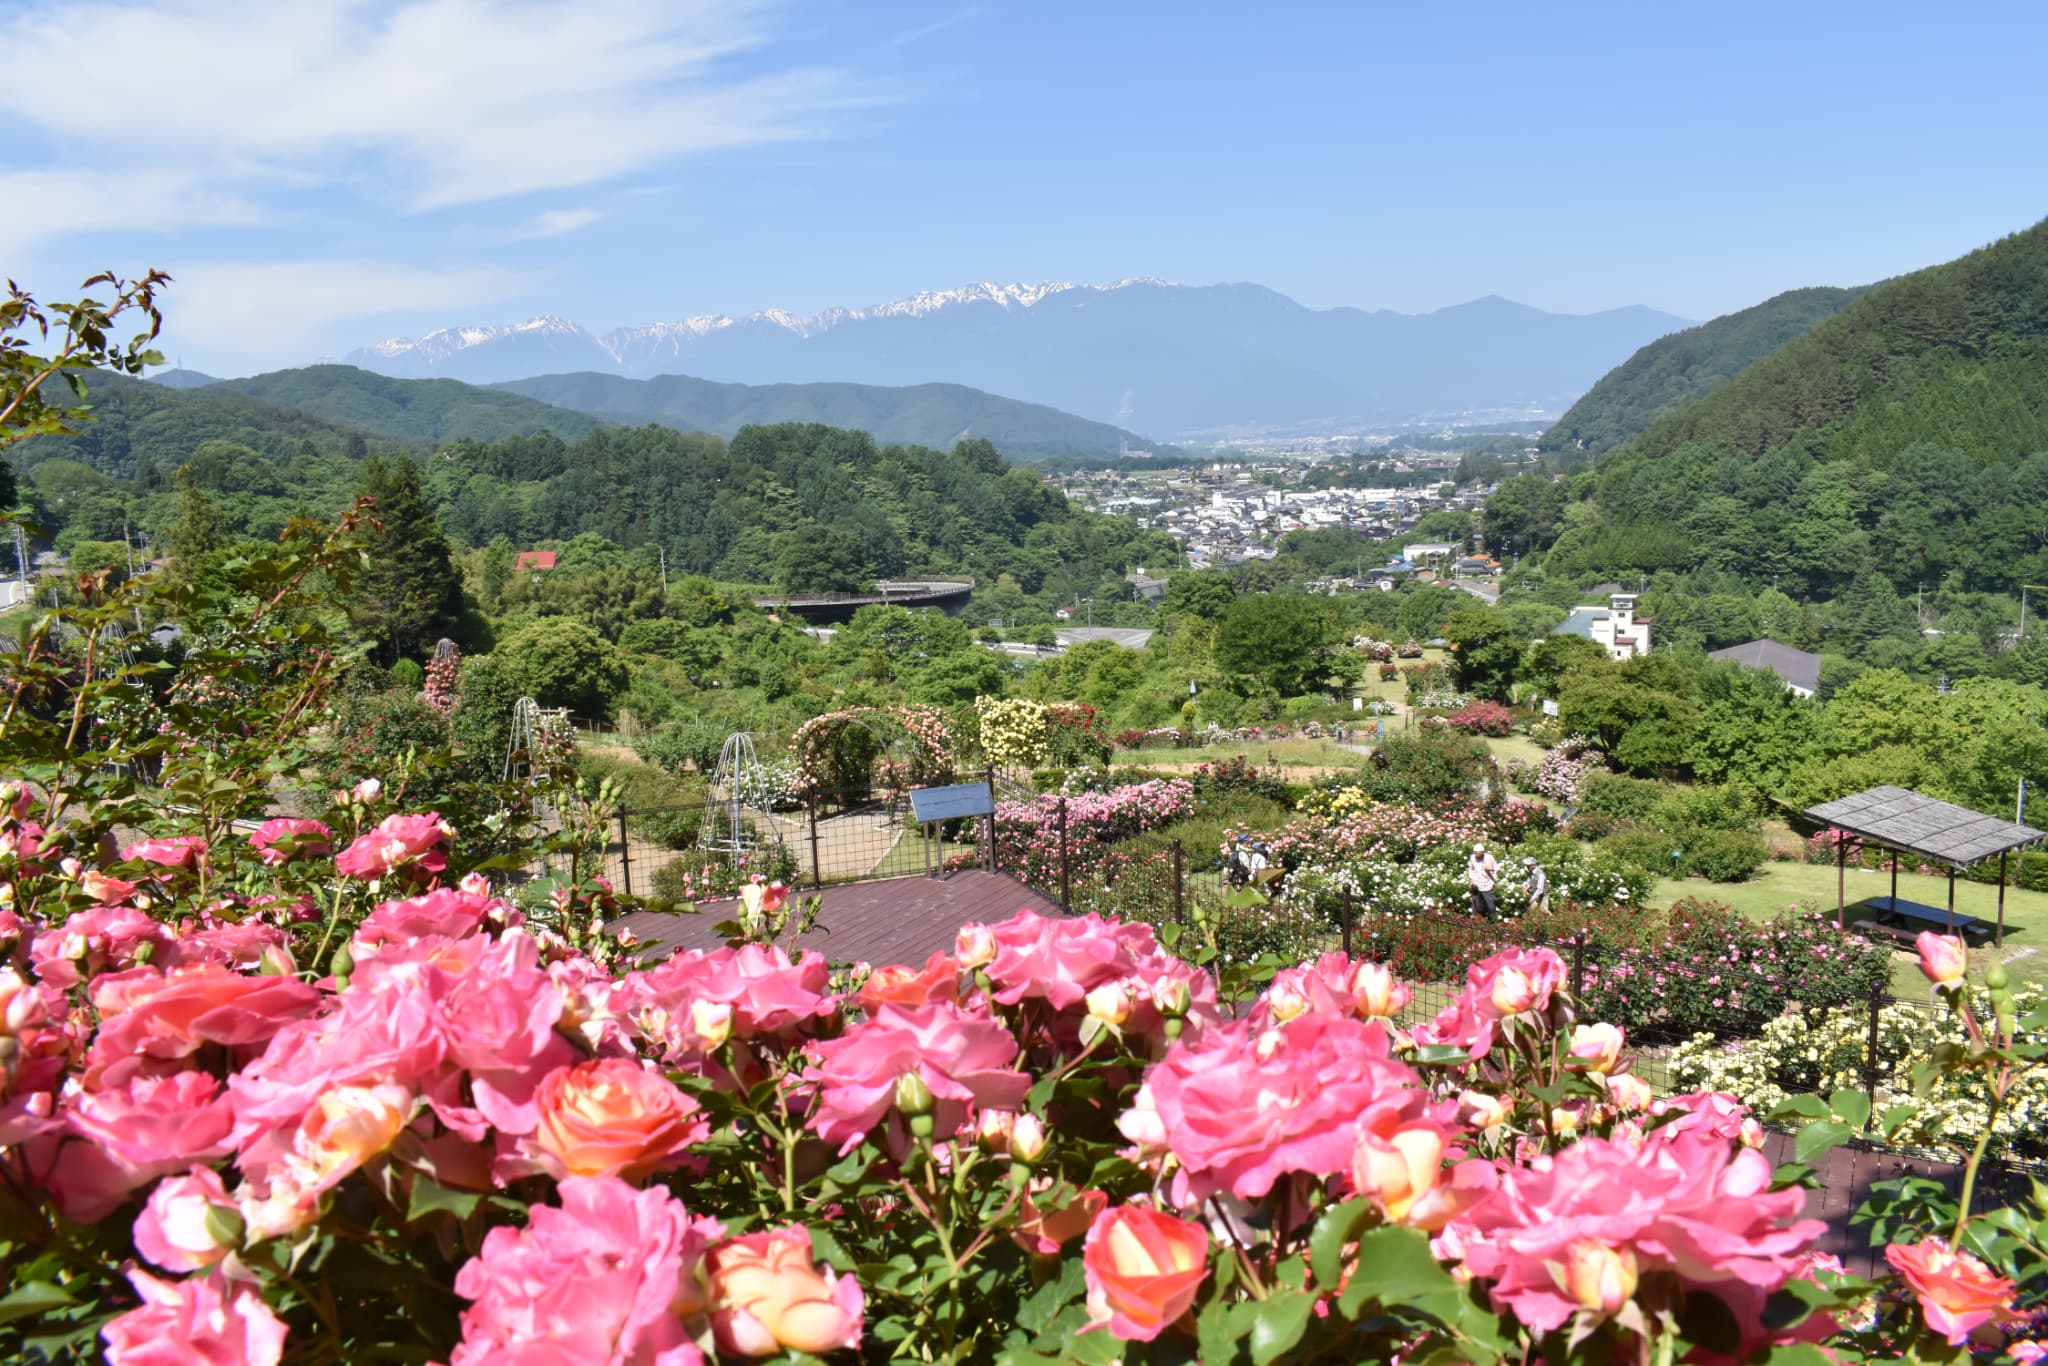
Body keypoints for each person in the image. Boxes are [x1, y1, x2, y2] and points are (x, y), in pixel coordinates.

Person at [1467, 842, 1499, 919]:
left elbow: (1497, 868)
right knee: (1477, 905)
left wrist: (1491, 869)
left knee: (1490, 905)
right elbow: (1471, 869)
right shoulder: (1472, 858)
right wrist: (1472, 879)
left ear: (1482, 852)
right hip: (1477, 884)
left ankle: (1494, 922)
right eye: (1475, 853)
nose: (1476, 855)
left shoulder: (1489, 858)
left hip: (1487, 885)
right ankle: (1478, 921)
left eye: (1477, 853)